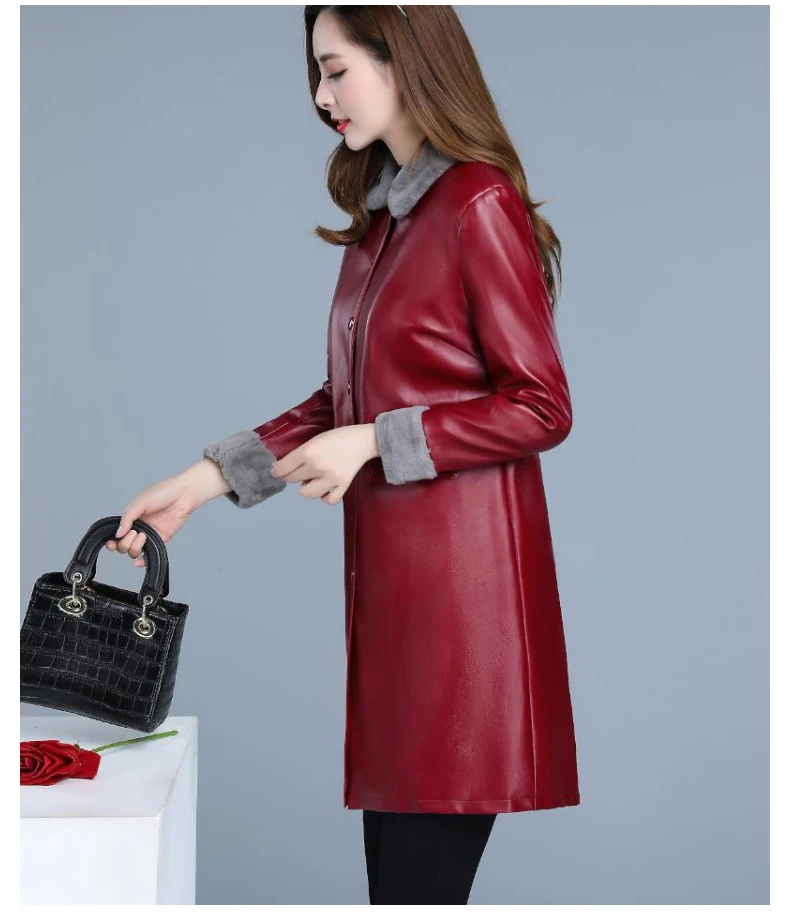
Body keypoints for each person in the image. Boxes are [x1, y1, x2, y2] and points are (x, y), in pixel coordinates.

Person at [106, 5, 579, 904]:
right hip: (397, 612)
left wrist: (374, 441)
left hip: (463, 620)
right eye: (316, 76)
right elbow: (341, 401)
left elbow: (541, 405)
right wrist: (201, 483)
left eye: (335, 70)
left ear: (403, 60)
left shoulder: (475, 201)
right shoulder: (384, 220)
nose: (322, 98)